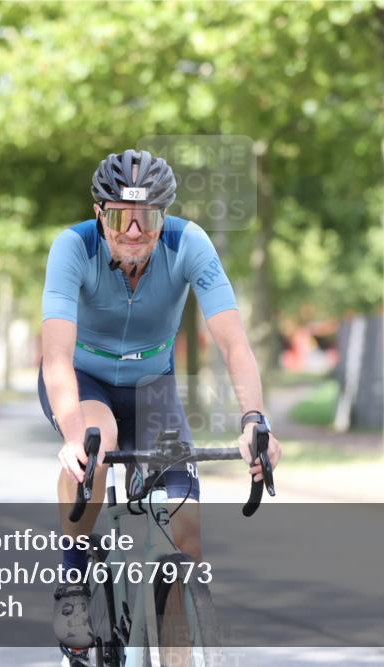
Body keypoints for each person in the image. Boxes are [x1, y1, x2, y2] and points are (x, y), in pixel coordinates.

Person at [38, 149, 282, 664]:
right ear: (99, 212)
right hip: (86, 382)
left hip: (153, 387)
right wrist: (70, 433)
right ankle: (74, 580)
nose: (132, 230)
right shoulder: (72, 247)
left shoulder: (189, 243)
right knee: (95, 443)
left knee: (185, 533)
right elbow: (56, 356)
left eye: (146, 216)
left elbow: (234, 343)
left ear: (163, 216)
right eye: (119, 215)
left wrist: (254, 420)